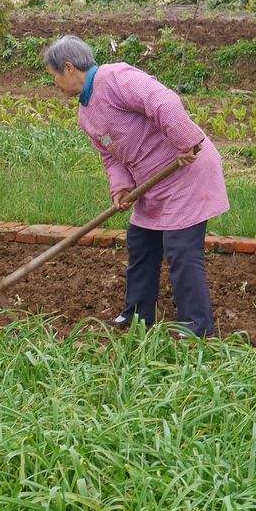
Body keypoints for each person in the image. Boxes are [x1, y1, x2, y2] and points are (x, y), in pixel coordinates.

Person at [42, 35, 229, 338]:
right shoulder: (85, 114)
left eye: (54, 77)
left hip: (185, 170)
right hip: (151, 184)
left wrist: (184, 140)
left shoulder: (115, 78)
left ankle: (197, 325)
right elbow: (110, 157)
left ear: (68, 68)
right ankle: (138, 315)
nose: (55, 85)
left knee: (181, 249)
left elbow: (162, 101)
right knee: (141, 243)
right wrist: (120, 189)